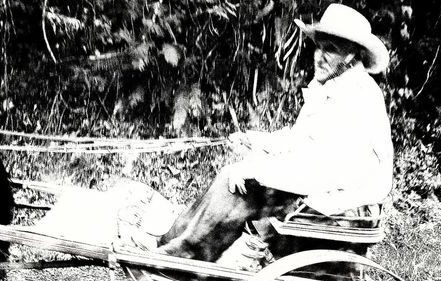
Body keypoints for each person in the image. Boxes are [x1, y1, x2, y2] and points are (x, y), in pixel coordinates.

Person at [156, 3, 393, 279]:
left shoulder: (356, 98)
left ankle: (180, 261)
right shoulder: (335, 86)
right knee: (231, 176)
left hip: (342, 205)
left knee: (238, 188)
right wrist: (258, 141)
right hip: (327, 189)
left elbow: (323, 170)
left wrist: (255, 170)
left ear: (352, 54)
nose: (319, 56)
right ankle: (168, 246)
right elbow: (302, 140)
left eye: (330, 49)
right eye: (318, 47)